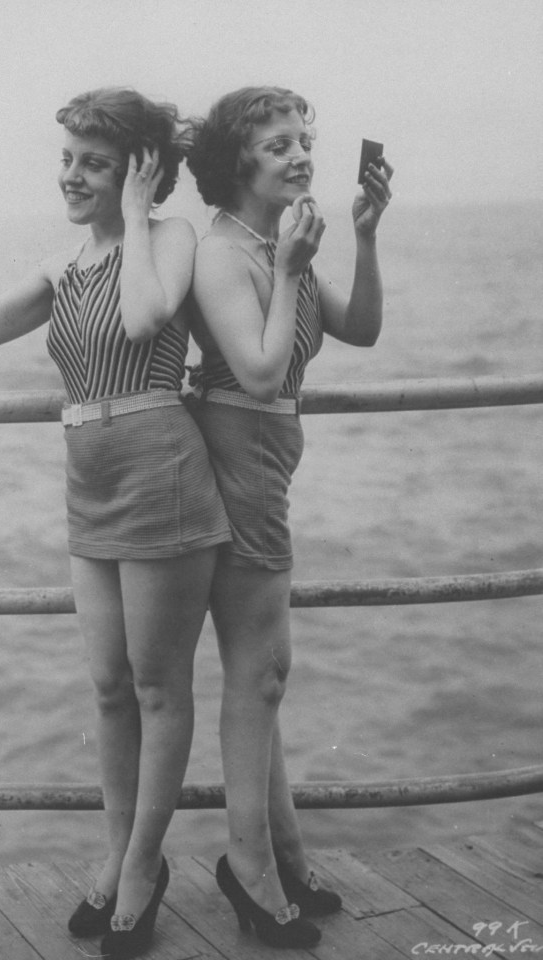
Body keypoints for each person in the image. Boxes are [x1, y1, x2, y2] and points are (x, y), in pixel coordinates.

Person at [0, 87, 231, 960]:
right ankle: (116, 856)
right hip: (90, 480)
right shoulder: (63, 268)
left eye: (95, 162)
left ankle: (145, 868)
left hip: (163, 474)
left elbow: (148, 317)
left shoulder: (174, 240)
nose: (73, 176)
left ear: (139, 169)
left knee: (160, 690)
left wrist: (145, 214)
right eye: (68, 159)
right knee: (112, 690)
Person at [185, 86, 393, 949]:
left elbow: (364, 330)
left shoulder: (282, 240)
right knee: (262, 674)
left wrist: (366, 235)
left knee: (257, 673)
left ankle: (282, 856)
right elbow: (263, 374)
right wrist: (297, 268)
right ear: (241, 161)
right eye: (280, 145)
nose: (301, 155)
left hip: (267, 459)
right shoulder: (225, 254)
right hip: (237, 455)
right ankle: (250, 868)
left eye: (305, 139)